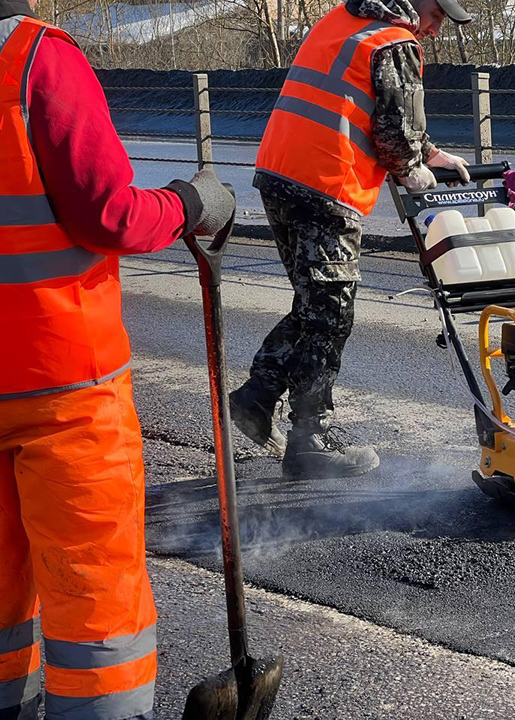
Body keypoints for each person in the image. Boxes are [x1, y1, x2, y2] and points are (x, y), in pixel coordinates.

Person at [0, 1, 235, 717]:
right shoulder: (37, 59)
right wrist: (192, 201)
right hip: (61, 384)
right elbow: (108, 214)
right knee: (94, 589)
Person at [230, 0, 473, 480]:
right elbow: (393, 131)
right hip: (325, 183)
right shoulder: (394, 41)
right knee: (331, 312)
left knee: (316, 304)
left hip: (280, 174)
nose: (436, 28)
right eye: (438, 16)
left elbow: (362, 103)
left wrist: (432, 154)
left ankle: (258, 396)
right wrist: (412, 170)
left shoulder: (343, 21)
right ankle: (309, 442)